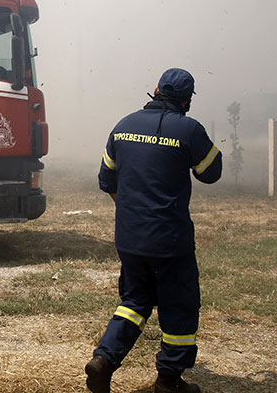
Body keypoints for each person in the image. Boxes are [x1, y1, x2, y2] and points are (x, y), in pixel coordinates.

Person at [85, 68, 222, 393]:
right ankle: (169, 381)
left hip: (130, 238)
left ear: (156, 89)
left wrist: (133, 213)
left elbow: (107, 180)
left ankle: (104, 359)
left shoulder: (123, 126)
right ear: (186, 101)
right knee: (179, 306)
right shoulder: (188, 129)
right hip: (170, 242)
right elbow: (211, 172)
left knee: (134, 302)